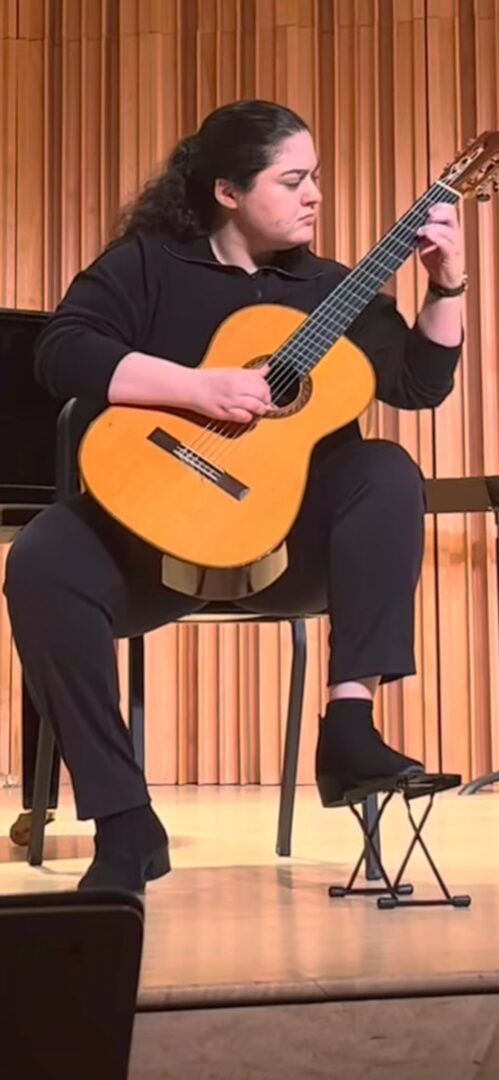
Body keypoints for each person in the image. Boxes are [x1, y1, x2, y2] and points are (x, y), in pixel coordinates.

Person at [4, 100, 465, 892]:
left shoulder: (332, 290)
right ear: (227, 191)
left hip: (286, 550)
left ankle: (348, 724)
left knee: (387, 470)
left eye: (315, 177)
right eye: (292, 180)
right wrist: (196, 387)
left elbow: (420, 385)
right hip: (154, 544)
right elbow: (62, 351)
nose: (314, 194)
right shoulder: (147, 265)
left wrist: (446, 285)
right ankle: (125, 823)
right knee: (42, 559)